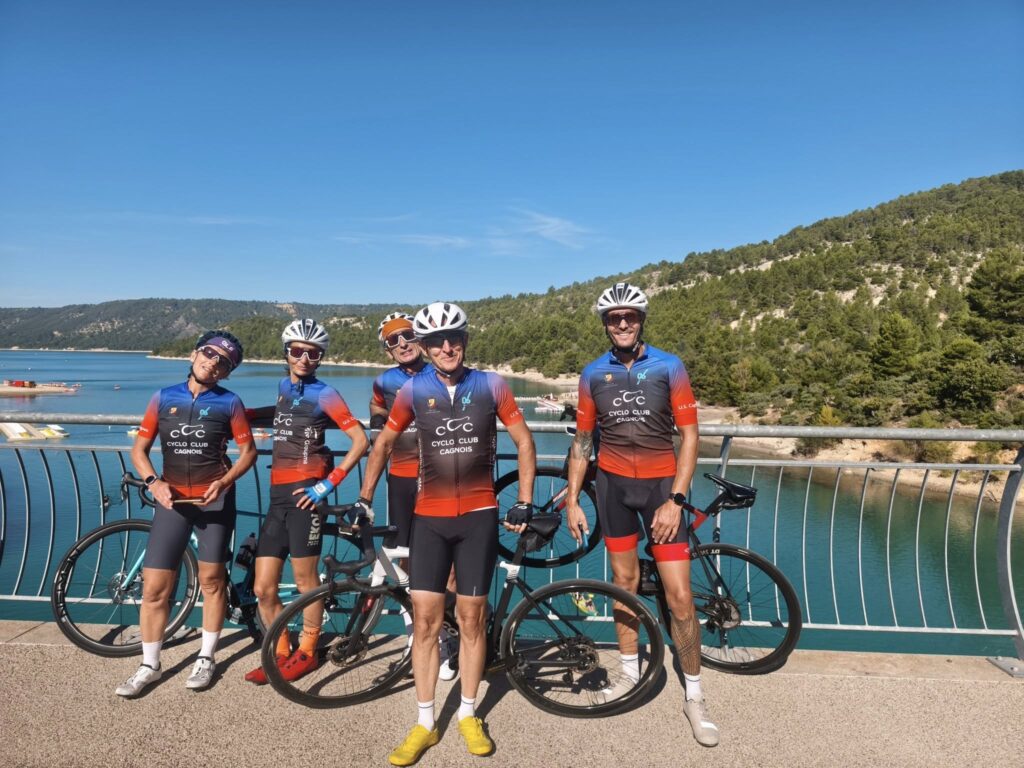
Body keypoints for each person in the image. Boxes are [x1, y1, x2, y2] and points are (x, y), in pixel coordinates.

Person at [355, 301, 535, 766]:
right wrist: (364, 498)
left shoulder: (492, 385)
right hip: (429, 518)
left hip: (479, 516)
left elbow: (524, 440)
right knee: (426, 622)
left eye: (454, 338)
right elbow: (384, 443)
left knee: (472, 620)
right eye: (436, 341)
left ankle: (469, 714)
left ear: (465, 340)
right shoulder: (413, 390)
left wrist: (525, 499)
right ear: (426, 347)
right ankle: (424, 722)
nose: (446, 347)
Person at [564, 282, 715, 746]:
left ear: (641, 320)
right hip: (613, 490)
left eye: (630, 316)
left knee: (680, 597)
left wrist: (676, 499)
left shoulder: (669, 366)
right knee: (623, 585)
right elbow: (583, 442)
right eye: (614, 318)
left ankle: (694, 695)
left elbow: (690, 436)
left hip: (660, 490)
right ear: (606, 324)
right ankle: (629, 673)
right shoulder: (593, 373)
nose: (623, 323)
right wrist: (572, 499)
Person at [117, 330, 257, 697]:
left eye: (223, 362)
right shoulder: (163, 398)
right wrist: (153, 482)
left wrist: (224, 482)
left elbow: (248, 453)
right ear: (195, 354)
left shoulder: (230, 402)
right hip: (173, 503)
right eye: (209, 353)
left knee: (212, 582)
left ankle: (206, 657)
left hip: (215, 501)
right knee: (154, 588)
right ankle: (149, 665)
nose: (213, 363)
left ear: (227, 372)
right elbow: (139, 450)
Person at [244, 319, 368, 684]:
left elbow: (360, 440)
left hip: (305, 497)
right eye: (297, 351)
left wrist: (327, 485)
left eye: (313, 354)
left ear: (320, 358)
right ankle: (281, 651)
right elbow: (283, 413)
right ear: (286, 353)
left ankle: (308, 651)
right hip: (277, 498)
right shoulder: (284, 386)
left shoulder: (326, 393)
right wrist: (241, 416)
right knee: (262, 587)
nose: (304, 358)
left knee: (305, 582)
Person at [369, 312, 461, 680]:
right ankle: (418, 639)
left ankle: (449, 638)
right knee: (406, 562)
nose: (402, 343)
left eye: (407, 335)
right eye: (393, 340)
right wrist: (378, 423)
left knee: (448, 564)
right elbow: (377, 406)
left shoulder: (441, 373)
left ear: (420, 339)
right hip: (402, 479)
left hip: (440, 480)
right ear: (387, 350)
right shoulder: (384, 381)